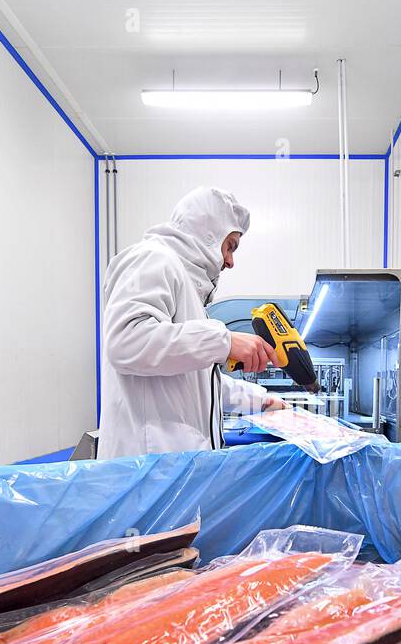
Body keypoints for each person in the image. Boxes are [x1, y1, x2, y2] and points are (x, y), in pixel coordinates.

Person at [97, 186, 286, 459]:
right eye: (230, 246)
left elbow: (197, 384)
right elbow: (126, 341)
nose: (231, 261)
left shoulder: (189, 293)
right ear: (209, 232)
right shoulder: (152, 257)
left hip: (169, 473)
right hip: (147, 475)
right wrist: (226, 341)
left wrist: (260, 400)